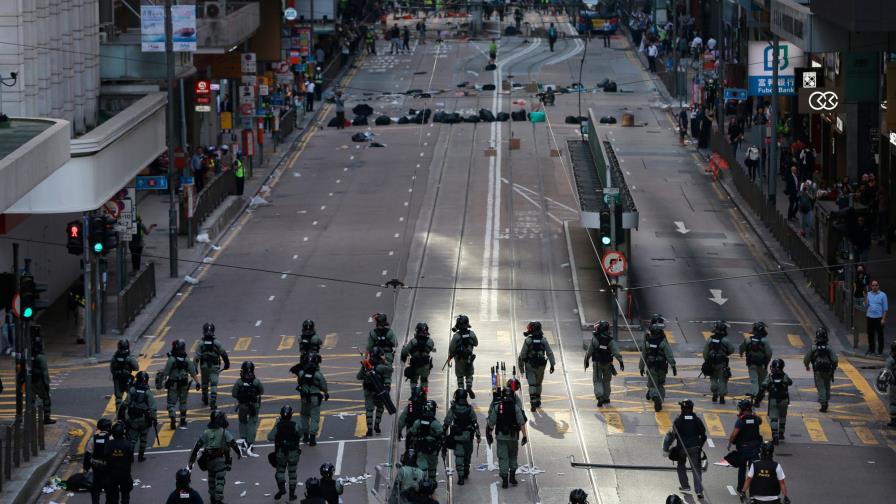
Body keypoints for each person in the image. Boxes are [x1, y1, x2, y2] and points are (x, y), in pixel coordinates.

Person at [189, 411, 241, 504]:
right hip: (220, 460)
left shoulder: (206, 432)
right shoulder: (224, 432)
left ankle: (212, 498)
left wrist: (191, 460)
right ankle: (218, 499)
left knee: (211, 479)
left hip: (209, 460)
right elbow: (233, 443)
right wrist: (238, 453)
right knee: (220, 480)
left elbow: (197, 446)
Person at [664, 400, 706, 499]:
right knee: (696, 469)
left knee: (681, 465)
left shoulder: (678, 420)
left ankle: (685, 486)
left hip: (682, 449)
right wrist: (699, 447)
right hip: (695, 448)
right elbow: (703, 436)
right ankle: (699, 491)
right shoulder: (697, 420)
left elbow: (672, 436)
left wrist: (666, 448)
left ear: (683, 409)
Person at [487, 386, 528, 488]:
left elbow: (491, 422)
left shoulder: (498, 407)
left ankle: (505, 480)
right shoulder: (515, 407)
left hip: (501, 437)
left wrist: (489, 434)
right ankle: (512, 478)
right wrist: (524, 436)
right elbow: (521, 422)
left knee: (503, 457)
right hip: (513, 437)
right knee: (513, 456)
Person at [443, 388, 481, 485]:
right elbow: (475, 422)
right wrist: (478, 434)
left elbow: (447, 421)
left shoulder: (453, 409)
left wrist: (443, 433)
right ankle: (466, 471)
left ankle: (460, 477)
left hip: (457, 436)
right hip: (468, 436)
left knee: (459, 455)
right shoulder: (470, 409)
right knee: (467, 454)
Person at [118, 370, 157, 462]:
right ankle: (141, 456)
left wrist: (121, 416)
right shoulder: (148, 392)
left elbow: (125, 403)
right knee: (143, 438)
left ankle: (130, 456)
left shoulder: (132, 390)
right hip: (144, 420)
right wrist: (154, 419)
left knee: (132, 439)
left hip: (133, 419)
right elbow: (153, 408)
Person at [518, 321, 555, 411]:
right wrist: (552, 365)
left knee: (532, 384)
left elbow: (522, 355)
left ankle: (533, 402)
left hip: (530, 365)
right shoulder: (543, 340)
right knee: (538, 383)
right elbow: (549, 353)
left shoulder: (528, 341)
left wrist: (521, 368)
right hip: (541, 366)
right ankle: (538, 400)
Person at [267, 405, 302, 501]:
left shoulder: (278, 425)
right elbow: (300, 434)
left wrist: (278, 427)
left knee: (280, 471)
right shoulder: (295, 425)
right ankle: (292, 495)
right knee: (292, 473)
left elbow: (269, 437)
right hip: (293, 452)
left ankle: (282, 489)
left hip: (281, 452)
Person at [585, 320, 624, 407]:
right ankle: (606, 398)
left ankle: (599, 396)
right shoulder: (611, 341)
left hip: (597, 364)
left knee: (597, 380)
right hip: (607, 364)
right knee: (607, 381)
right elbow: (616, 352)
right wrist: (621, 362)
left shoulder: (595, 339)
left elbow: (589, 351)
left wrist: (586, 360)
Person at [163, 339, 200, 429]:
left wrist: (162, 383)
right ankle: (183, 421)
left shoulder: (171, 359)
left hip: (173, 385)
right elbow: (193, 373)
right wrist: (198, 383)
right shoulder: (187, 360)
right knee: (183, 402)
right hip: (184, 385)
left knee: (171, 403)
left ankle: (172, 417)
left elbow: (165, 373)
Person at [728, 399, 763, 492]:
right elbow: (760, 420)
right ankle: (754, 488)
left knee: (742, 468)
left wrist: (729, 443)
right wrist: (753, 414)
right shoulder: (756, 419)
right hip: (755, 448)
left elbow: (734, 434)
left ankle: (740, 488)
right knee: (753, 469)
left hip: (743, 448)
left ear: (742, 409)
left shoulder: (741, 420)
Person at [639, 323, 676, 411]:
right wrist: (673, 366)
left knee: (652, 385)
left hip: (651, 368)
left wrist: (641, 367)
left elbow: (643, 356)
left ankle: (655, 397)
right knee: (660, 384)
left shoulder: (647, 342)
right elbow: (669, 355)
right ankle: (659, 399)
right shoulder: (663, 342)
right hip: (662, 368)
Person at [358, 346, 393, 436]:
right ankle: (377, 424)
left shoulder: (367, 365)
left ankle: (369, 429)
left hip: (368, 390)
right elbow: (390, 370)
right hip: (379, 390)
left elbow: (359, 376)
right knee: (380, 407)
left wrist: (363, 367)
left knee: (369, 410)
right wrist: (385, 361)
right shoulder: (381, 367)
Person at [194, 322, 230, 409]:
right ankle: (213, 400)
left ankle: (205, 397)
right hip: (214, 366)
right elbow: (224, 354)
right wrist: (227, 363)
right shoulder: (217, 343)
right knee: (214, 384)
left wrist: (195, 367)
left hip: (204, 366)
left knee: (205, 382)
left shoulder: (200, 343)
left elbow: (196, 357)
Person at [231, 361, 263, 457]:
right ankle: (250, 443)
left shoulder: (239, 382)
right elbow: (261, 391)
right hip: (254, 405)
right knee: (252, 424)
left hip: (243, 406)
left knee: (243, 422)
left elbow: (234, 394)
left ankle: (244, 440)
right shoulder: (256, 381)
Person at [296, 351, 328, 446]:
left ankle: (305, 437)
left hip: (305, 397)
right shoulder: (318, 374)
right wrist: (325, 392)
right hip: (315, 398)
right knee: (314, 418)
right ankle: (312, 438)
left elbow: (299, 383)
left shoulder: (301, 373)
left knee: (304, 416)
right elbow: (323, 386)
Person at [803, 327, 838, 412]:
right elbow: (835, 360)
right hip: (828, 370)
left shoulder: (813, 348)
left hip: (817, 371)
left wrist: (807, 366)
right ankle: (826, 399)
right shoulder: (829, 348)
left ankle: (823, 403)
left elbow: (806, 359)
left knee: (820, 386)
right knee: (827, 386)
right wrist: (833, 367)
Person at [407, 400, 443, 480]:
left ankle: (422, 483)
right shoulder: (435, 423)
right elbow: (441, 434)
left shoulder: (418, 422)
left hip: (421, 450)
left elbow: (412, 432)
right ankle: (432, 482)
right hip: (433, 451)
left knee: (422, 468)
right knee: (432, 468)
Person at [759, 359, 792, 444]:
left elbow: (763, 386)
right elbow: (790, 382)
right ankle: (781, 433)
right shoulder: (784, 376)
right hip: (784, 400)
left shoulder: (770, 376)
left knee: (774, 419)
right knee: (783, 416)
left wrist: (758, 398)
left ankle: (775, 436)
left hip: (773, 400)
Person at [739, 321, 773, 406]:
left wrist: (741, 353)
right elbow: (769, 354)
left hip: (751, 364)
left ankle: (755, 396)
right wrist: (766, 363)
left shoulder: (748, 340)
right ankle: (759, 397)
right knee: (762, 381)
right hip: (762, 365)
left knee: (754, 381)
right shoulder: (765, 341)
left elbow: (741, 348)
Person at [702, 320, 734, 404]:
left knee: (713, 378)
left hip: (711, 363)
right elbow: (731, 350)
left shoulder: (710, 339)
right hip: (722, 364)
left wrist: (707, 361)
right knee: (723, 380)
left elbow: (705, 352)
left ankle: (714, 393)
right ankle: (722, 397)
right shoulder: (726, 340)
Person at [448, 314, 478, 398]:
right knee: (469, 374)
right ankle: (469, 386)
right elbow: (476, 343)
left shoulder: (456, 336)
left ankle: (461, 391)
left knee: (460, 376)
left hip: (459, 359)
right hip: (469, 358)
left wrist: (450, 358)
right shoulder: (471, 334)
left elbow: (451, 348)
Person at [105, 421, 135, 504]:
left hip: (112, 474)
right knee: (125, 495)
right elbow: (131, 459)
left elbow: (105, 457)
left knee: (113, 496)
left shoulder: (108, 444)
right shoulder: (128, 444)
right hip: (125, 474)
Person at [84, 418, 112, 504]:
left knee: (95, 490)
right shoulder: (111, 439)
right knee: (110, 490)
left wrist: (86, 468)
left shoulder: (93, 439)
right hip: (108, 469)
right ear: (108, 428)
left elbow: (88, 455)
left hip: (96, 469)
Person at [401, 322, 435, 388]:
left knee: (413, 380)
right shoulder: (430, 341)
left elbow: (404, 352)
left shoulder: (413, 341)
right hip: (425, 366)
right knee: (424, 380)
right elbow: (431, 349)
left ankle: (414, 393)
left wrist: (403, 360)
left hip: (415, 366)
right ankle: (424, 393)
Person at [31, 337, 55, 423]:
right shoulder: (41, 357)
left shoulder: (31, 355)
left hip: (31, 380)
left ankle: (30, 417)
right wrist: (47, 384)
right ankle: (46, 418)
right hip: (39, 381)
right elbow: (45, 373)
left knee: (31, 400)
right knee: (46, 399)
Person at [111, 338, 139, 412]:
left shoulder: (115, 357)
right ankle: (130, 412)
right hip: (127, 380)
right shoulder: (129, 358)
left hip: (117, 380)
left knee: (118, 398)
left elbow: (112, 369)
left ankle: (118, 414)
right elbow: (136, 368)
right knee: (132, 396)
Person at [397, 385, 427, 451]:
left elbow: (401, 421)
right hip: (423, 434)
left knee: (409, 451)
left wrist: (399, 432)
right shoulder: (426, 407)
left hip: (411, 433)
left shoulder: (410, 407)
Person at [865, 280, 888, 356]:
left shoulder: (883, 295)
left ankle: (880, 352)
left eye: (876, 285)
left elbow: (885, 309)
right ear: (871, 286)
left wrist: (883, 319)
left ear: (878, 286)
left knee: (880, 335)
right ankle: (872, 350)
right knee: (870, 334)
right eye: (873, 285)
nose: (874, 287)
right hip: (870, 317)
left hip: (879, 318)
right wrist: (865, 298)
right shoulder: (868, 294)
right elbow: (866, 305)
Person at [884, 342, 896, 427]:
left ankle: (894, 420)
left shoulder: (891, 359)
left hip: (894, 385)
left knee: (893, 402)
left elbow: (886, 371)